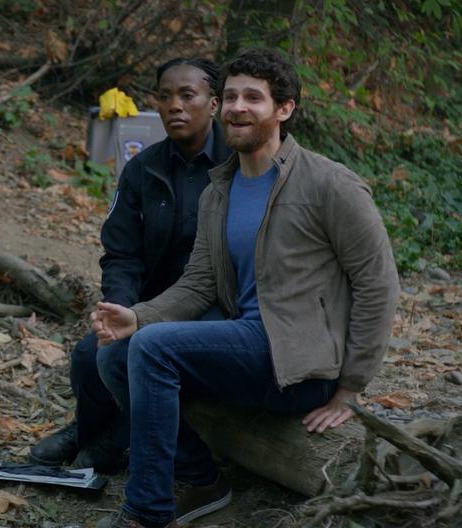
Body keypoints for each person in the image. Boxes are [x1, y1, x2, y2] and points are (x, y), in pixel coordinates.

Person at [93, 48, 400, 528]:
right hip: (246, 343)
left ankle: (146, 514)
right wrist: (139, 316)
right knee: (116, 354)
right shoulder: (221, 188)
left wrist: (350, 390)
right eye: (231, 96)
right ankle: (203, 478)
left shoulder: (330, 184)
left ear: (284, 109)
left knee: (152, 350)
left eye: (253, 98)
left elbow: (378, 284)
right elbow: (198, 282)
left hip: (299, 362)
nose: (238, 107)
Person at [29, 57, 232, 473]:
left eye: (187, 95)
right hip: (149, 303)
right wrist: (117, 306)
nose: (175, 105)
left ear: (213, 105)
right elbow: (121, 252)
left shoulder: (237, 164)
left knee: (140, 356)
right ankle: (87, 430)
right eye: (165, 95)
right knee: (92, 353)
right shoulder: (143, 168)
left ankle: (119, 438)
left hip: (214, 305)